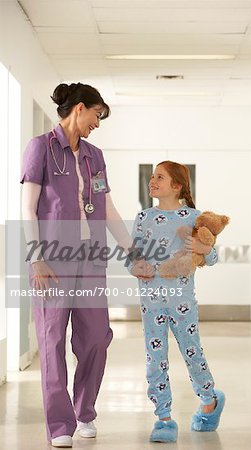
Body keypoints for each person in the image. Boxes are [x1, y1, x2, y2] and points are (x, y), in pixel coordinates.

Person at [20, 82, 143, 448]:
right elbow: (28, 207)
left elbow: (105, 207)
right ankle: (60, 425)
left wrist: (131, 250)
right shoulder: (39, 148)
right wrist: (36, 257)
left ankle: (84, 411)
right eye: (97, 114)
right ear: (80, 109)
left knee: (96, 338)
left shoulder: (94, 155)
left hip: (90, 258)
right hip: (51, 260)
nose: (98, 123)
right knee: (52, 339)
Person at [130, 161, 225, 443]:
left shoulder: (194, 217)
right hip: (151, 302)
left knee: (192, 352)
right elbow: (133, 256)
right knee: (155, 360)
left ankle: (209, 399)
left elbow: (212, 258)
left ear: (177, 186)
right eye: (152, 177)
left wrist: (203, 248)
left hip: (182, 301)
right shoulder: (143, 217)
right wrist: (137, 266)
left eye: (160, 177)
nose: (152, 181)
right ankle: (163, 418)